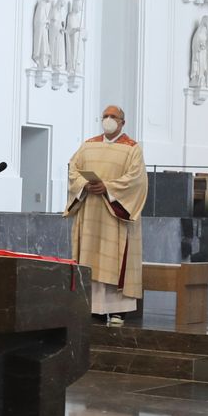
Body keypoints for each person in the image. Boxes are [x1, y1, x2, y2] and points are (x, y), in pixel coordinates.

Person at [65, 105, 147, 325]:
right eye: (105, 116)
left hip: (115, 215)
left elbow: (136, 180)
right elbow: (73, 169)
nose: (108, 120)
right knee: (91, 259)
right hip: (91, 212)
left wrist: (108, 188)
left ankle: (118, 310)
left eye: (113, 117)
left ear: (122, 122)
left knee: (114, 258)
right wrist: (84, 185)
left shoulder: (132, 148)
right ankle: (94, 308)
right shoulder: (88, 146)